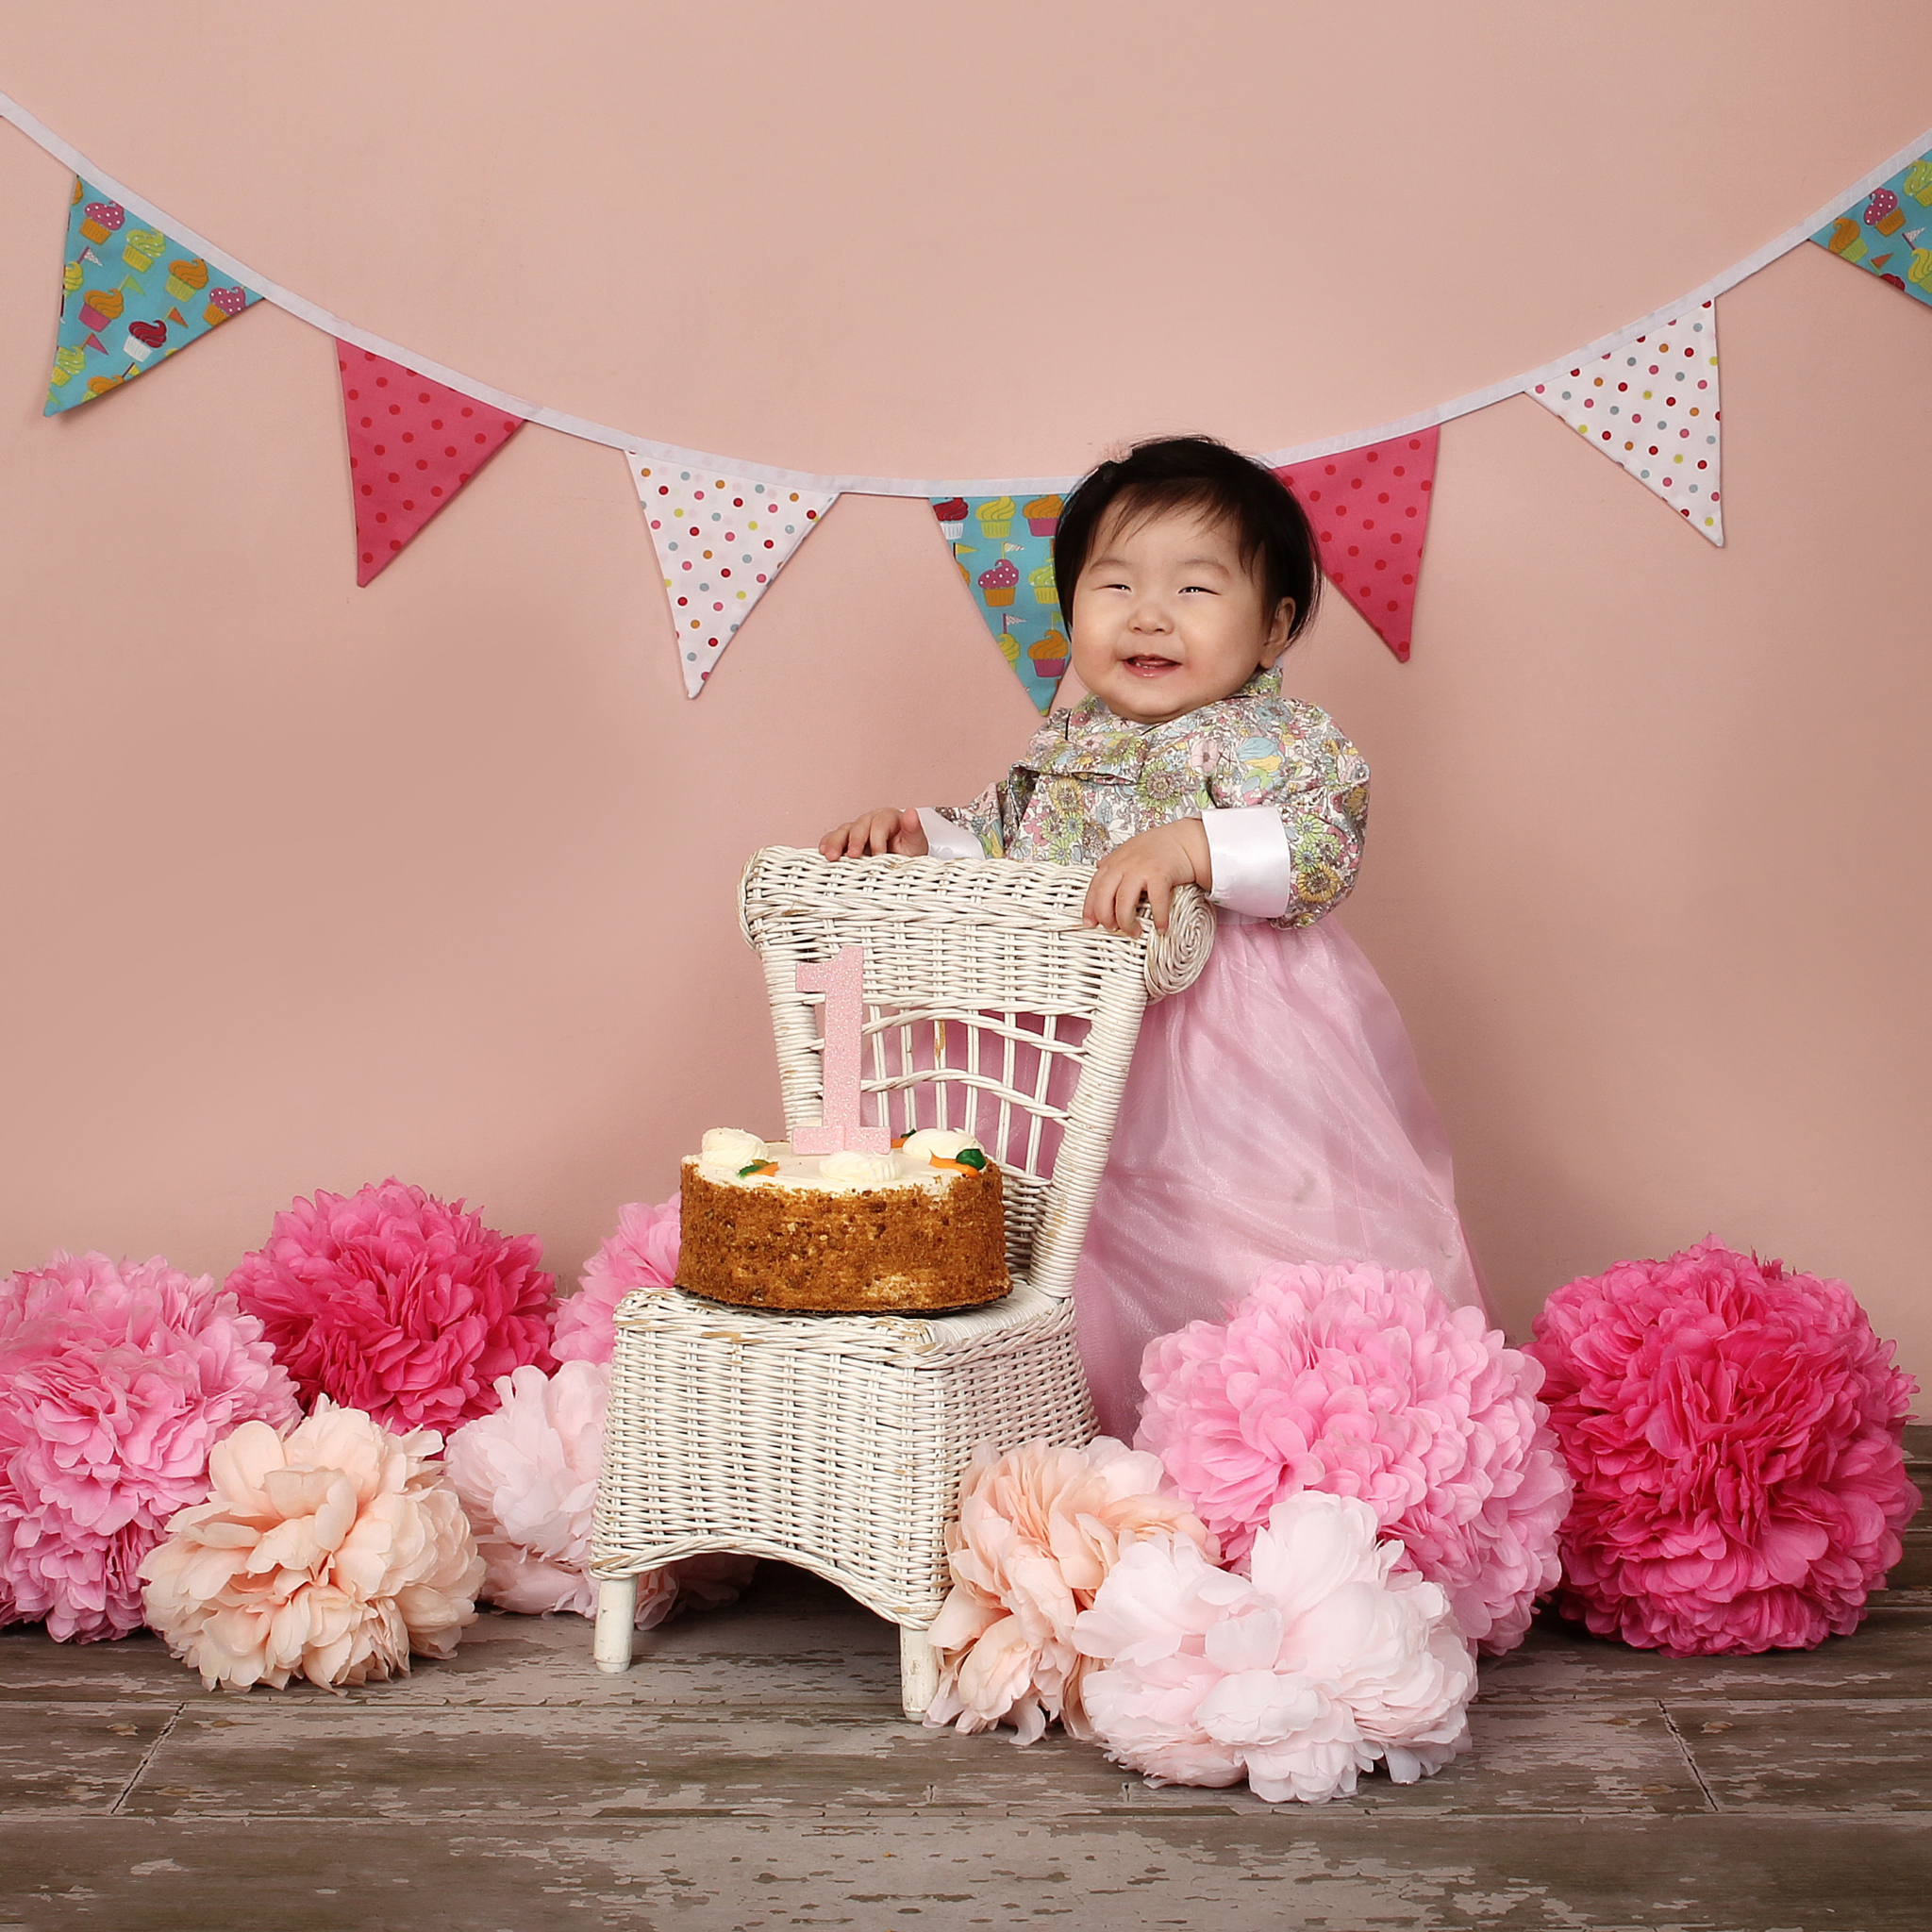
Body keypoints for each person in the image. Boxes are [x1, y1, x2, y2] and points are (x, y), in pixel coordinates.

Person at [819, 436, 1486, 1439]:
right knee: (1065, 1239)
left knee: (1239, 1232)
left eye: (1194, 589)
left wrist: (1195, 845)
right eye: (1114, 581)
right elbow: (1003, 848)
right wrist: (923, 835)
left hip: (1236, 1036)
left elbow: (1322, 846)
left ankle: (1254, 1433)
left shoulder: (1283, 739)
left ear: (1274, 627)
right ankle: (1068, 1440)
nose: (1147, 613)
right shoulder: (1062, 741)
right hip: (1068, 1044)